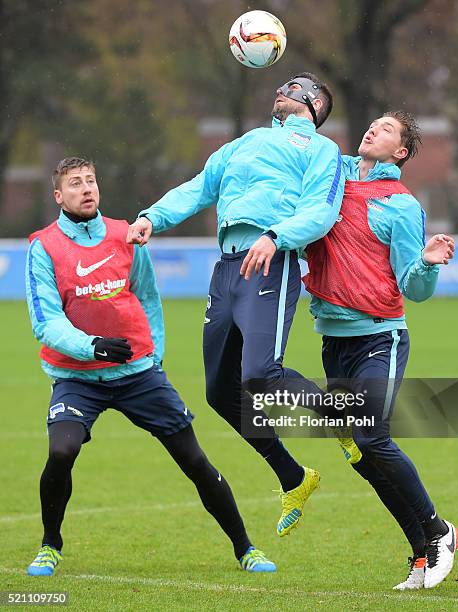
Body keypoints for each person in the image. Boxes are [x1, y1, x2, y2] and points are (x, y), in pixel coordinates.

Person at [24, 157, 277, 576]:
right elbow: (45, 321)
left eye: (91, 180)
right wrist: (92, 347)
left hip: (138, 374)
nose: (86, 188)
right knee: (61, 450)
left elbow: (148, 296)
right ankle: (51, 544)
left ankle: (246, 548)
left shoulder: (125, 235)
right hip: (76, 377)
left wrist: (153, 354)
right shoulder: (44, 246)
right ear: (58, 195)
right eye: (74, 184)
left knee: (194, 459)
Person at [127, 73, 345, 536]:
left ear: (310, 103)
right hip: (226, 268)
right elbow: (199, 187)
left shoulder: (321, 151)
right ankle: (294, 476)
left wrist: (276, 235)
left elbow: (321, 211)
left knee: (261, 375)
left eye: (291, 88)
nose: (279, 92)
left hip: (272, 259)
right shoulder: (244, 142)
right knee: (219, 392)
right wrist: (152, 217)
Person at [304, 111, 458, 590]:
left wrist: (429, 263)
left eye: (387, 130)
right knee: (361, 454)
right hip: (334, 341)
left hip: (380, 337)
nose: (372, 129)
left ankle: (439, 531)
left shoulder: (401, 205)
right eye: (371, 124)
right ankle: (420, 553)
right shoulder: (329, 180)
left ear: (401, 153)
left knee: (371, 437)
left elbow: (413, 288)